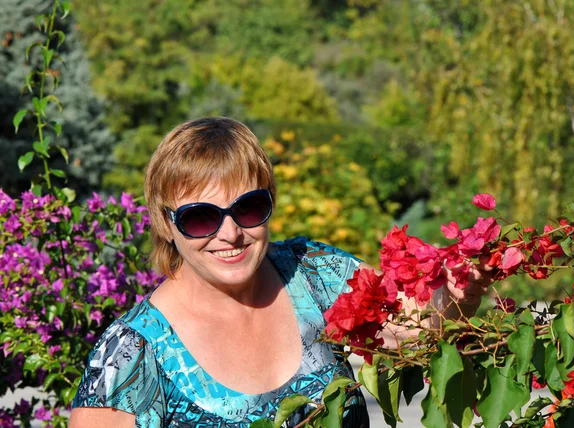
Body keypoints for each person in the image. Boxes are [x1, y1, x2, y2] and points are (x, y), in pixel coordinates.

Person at [69, 117, 492, 427]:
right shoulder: (130, 356)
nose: (230, 233)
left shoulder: (315, 273)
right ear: (165, 224)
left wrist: (456, 295)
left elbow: (413, 329)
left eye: (248, 208)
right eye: (201, 218)